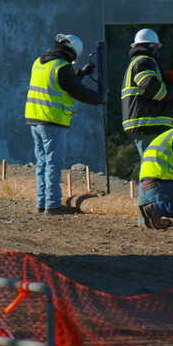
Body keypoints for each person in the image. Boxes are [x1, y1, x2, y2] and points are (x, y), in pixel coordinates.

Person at [25, 33, 106, 215]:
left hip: (35, 119)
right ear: (72, 52)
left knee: (42, 163)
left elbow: (59, 84)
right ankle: (53, 204)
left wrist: (80, 74)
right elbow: (77, 91)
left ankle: (42, 201)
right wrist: (99, 98)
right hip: (52, 120)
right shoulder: (61, 66)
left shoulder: (40, 62)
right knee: (53, 163)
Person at [121, 28, 173, 159]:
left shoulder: (138, 62)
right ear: (152, 46)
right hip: (148, 124)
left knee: (150, 164)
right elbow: (150, 88)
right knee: (152, 164)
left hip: (145, 125)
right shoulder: (144, 62)